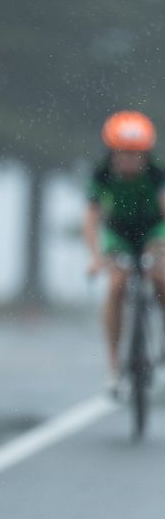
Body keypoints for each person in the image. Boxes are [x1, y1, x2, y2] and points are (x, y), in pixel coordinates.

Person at [84, 110, 165, 390]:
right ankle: (114, 363)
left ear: (146, 155)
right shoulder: (102, 174)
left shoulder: (157, 175)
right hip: (119, 233)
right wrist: (95, 257)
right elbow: (92, 218)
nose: (129, 161)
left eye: (136, 155)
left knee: (160, 277)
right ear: (112, 153)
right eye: (123, 154)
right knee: (116, 286)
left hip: (153, 229)